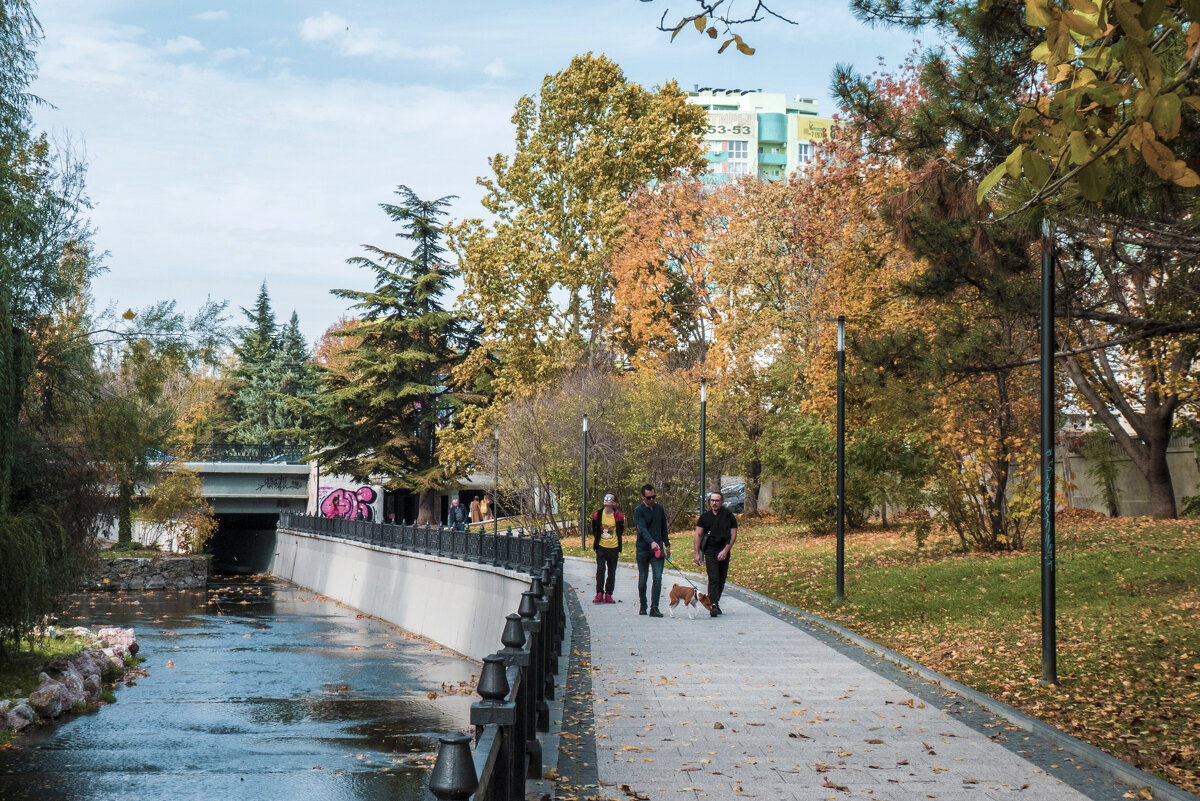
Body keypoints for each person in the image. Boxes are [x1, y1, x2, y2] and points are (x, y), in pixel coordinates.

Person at [693, 491, 738, 617]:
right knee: (713, 578)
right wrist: (697, 553)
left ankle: (715, 602)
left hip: (724, 547)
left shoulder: (728, 516)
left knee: (721, 578)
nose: (714, 503)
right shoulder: (704, 517)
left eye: (717, 500)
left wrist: (725, 551)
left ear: (722, 502)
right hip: (710, 550)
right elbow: (698, 535)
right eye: (712, 500)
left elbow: (733, 535)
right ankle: (713, 604)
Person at [632, 483, 670, 617]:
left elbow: (663, 528)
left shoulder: (659, 509)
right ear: (643, 497)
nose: (652, 500)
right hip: (643, 548)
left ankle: (654, 607)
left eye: (654, 496)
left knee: (658, 578)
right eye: (649, 498)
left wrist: (667, 544)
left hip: (658, 548)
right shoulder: (638, 511)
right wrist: (651, 542)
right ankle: (643, 603)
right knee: (643, 578)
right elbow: (642, 529)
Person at [591, 493, 624, 604]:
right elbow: (594, 529)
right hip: (601, 547)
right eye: (605, 498)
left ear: (614, 503)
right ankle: (599, 593)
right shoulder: (598, 514)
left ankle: (609, 594)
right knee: (600, 569)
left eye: (609, 498)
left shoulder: (618, 515)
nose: (606, 500)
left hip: (613, 547)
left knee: (611, 572)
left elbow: (620, 530)